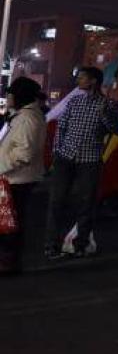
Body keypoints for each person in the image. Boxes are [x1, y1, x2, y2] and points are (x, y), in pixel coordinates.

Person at [44, 66, 118, 259]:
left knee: (86, 203)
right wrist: (57, 152)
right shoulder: (74, 101)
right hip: (65, 157)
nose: (78, 81)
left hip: (90, 159)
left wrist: (106, 114)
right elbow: (61, 128)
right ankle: (51, 245)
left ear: (93, 81)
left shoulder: (107, 104)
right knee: (56, 201)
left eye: (82, 78)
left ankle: (80, 244)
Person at [0, 77, 47, 275]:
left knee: (11, 224)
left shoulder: (28, 119)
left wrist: (1, 166)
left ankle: (9, 263)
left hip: (17, 179)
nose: (7, 98)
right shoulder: (22, 116)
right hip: (13, 178)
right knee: (9, 222)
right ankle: (8, 261)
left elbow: (24, 154)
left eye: (10, 94)